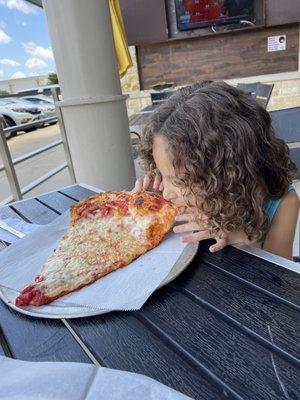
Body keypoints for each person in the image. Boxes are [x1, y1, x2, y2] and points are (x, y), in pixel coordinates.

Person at [133, 81, 299, 260]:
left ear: (225, 175)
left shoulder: (283, 203)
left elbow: (275, 281)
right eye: (162, 175)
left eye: (178, 181)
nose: (166, 191)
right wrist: (150, 210)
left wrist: (238, 237)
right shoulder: (174, 201)